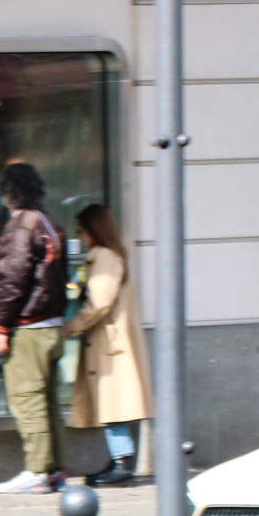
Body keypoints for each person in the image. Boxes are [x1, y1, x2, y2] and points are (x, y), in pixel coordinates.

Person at [0, 162, 70, 495]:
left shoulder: (22, 225)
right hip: (52, 325)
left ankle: (36, 470)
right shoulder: (51, 223)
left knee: (26, 400)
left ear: (8, 193)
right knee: (47, 402)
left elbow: (12, 279)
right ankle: (54, 472)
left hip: (28, 328)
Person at [66, 203, 151, 487]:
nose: (81, 235)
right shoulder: (113, 254)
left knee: (113, 406)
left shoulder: (103, 256)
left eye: (81, 229)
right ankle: (118, 460)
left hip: (109, 346)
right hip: (110, 344)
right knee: (112, 406)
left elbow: (99, 303)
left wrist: (72, 326)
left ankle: (121, 463)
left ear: (92, 229)